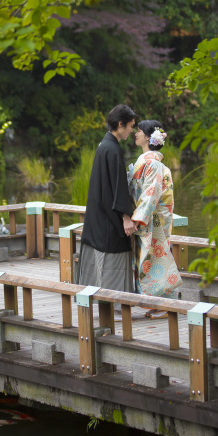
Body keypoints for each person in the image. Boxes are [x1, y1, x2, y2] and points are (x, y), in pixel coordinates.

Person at [79, 104, 139, 298]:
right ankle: (115, 304)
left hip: (99, 212)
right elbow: (118, 187)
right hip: (108, 216)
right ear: (120, 124)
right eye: (130, 126)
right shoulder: (112, 149)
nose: (131, 131)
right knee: (113, 256)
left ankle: (108, 303)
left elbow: (110, 186)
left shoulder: (105, 145)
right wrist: (126, 216)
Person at [129, 120, 182, 317]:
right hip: (151, 216)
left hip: (154, 218)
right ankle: (156, 302)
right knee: (150, 259)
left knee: (158, 258)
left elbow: (150, 193)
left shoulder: (152, 163)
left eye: (139, 131)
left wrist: (137, 218)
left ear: (149, 137)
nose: (136, 133)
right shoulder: (148, 161)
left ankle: (166, 303)